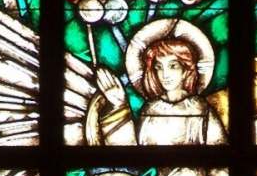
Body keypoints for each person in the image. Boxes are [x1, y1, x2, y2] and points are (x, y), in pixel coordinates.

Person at [95, 36, 226, 146]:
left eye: (173, 66)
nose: (165, 74)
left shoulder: (200, 109)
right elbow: (131, 153)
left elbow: (218, 154)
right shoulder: (151, 109)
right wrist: (119, 105)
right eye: (159, 67)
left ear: (186, 71)